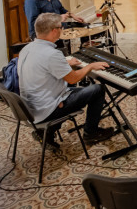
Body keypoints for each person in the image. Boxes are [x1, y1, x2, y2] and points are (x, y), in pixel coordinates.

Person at [18, 13, 115, 146]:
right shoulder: (52, 54)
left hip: (30, 107)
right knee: (98, 89)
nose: (62, 29)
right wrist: (91, 66)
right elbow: (73, 79)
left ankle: (47, 132)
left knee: (68, 89)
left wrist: (64, 63)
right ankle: (91, 133)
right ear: (54, 31)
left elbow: (42, 66)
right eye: (61, 27)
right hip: (47, 109)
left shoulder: (26, 49)